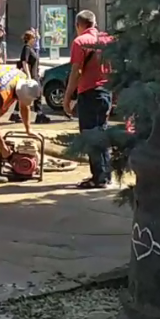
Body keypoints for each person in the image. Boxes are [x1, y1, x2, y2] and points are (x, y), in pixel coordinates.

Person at [63, 10, 113, 189]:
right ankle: (106, 174)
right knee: (102, 132)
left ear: (79, 25)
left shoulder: (80, 42)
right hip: (106, 92)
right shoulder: (107, 39)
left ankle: (98, 178)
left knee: (91, 134)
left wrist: (67, 97)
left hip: (89, 92)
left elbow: (76, 71)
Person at [10, 29, 50, 124]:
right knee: (37, 94)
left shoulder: (30, 48)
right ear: (29, 38)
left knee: (24, 96)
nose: (35, 40)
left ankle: (15, 114)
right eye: (34, 38)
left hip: (34, 74)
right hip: (31, 75)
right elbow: (25, 62)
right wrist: (28, 76)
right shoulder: (27, 48)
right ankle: (39, 115)